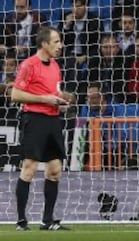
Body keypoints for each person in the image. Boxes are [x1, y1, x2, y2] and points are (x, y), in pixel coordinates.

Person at [11, 26, 73, 231]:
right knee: (29, 168)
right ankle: (21, 221)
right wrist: (44, 99)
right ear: (44, 44)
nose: (60, 46)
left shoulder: (55, 65)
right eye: (56, 42)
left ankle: (47, 221)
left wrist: (62, 100)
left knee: (55, 170)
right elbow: (16, 95)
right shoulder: (29, 65)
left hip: (53, 121)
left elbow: (52, 91)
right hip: (34, 119)